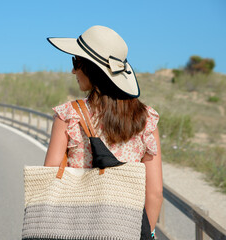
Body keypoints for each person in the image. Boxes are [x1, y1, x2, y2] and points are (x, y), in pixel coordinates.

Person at [44, 25, 163, 238]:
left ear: (92, 68)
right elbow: (154, 193)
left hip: (74, 228)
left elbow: (50, 175)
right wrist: (148, 233)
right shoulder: (147, 120)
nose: (73, 70)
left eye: (76, 62)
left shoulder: (69, 115)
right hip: (126, 229)